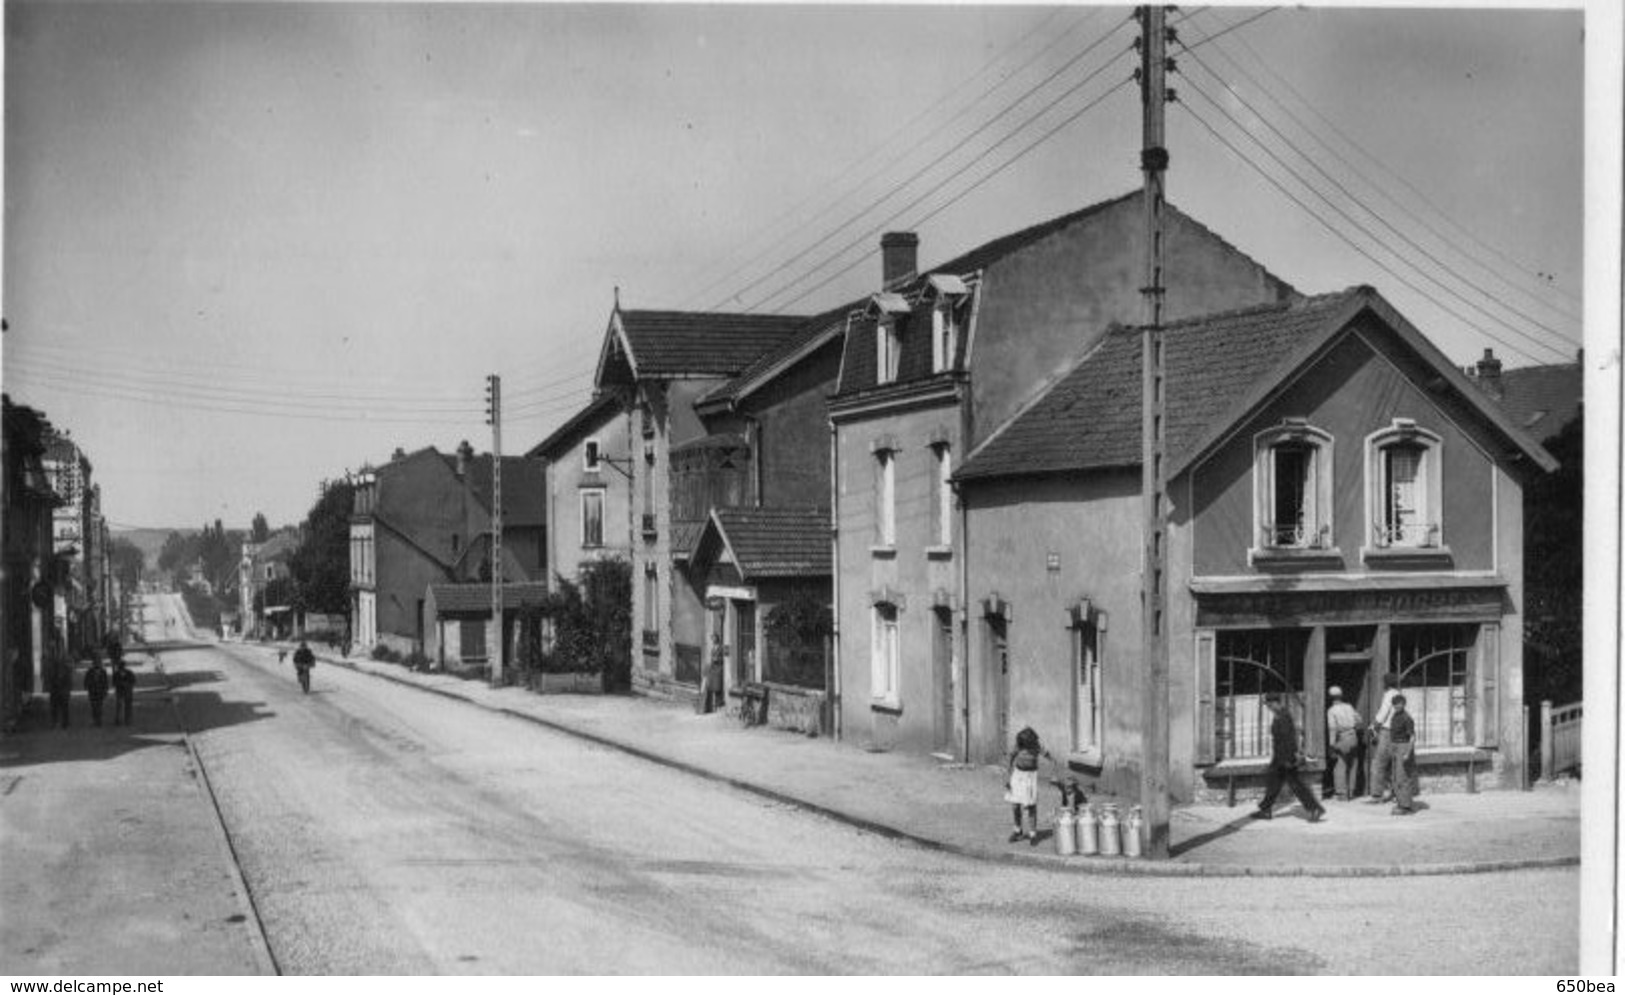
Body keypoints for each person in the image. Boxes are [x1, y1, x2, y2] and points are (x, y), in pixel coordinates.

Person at [1252, 693, 1326, 823]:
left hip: (1285, 757)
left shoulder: (1283, 716)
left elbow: (1289, 740)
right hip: (1280, 756)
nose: (1268, 708)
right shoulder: (1281, 715)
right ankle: (1266, 809)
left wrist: (1288, 759)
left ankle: (1315, 808)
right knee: (1274, 781)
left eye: (1269, 705)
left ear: (1275, 702)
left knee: (1295, 784)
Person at [1004, 726, 1054, 845]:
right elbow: (1010, 757)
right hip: (1018, 774)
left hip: (1030, 776)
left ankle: (1032, 833)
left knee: (1030, 806)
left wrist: (1053, 761)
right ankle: (1017, 830)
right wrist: (1008, 775)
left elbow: (1047, 754)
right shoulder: (1018, 745)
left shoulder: (1036, 746)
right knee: (1015, 805)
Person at [1368, 673, 1402, 804]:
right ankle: (1395, 793)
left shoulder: (1388, 695)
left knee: (1379, 763)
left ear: (1386, 683)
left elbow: (1383, 712)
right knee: (1394, 764)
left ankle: (1377, 795)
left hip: (1387, 731)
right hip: (1397, 731)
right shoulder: (1399, 694)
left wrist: (1373, 725)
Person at [1325, 686, 1363, 801]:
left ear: (1330, 698)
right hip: (1353, 736)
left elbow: (1332, 728)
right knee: (1353, 764)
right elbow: (1359, 720)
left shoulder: (1331, 710)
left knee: (1340, 765)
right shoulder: (1349, 706)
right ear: (1341, 696)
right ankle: (1351, 791)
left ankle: (1342, 793)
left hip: (1343, 737)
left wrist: (1331, 745)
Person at [1388, 695, 1418, 815]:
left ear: (1404, 704)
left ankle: (1407, 807)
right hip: (1395, 746)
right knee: (1396, 778)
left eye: (1399, 703)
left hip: (1404, 746)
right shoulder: (1395, 716)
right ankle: (1401, 803)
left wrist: (1408, 753)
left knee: (1403, 777)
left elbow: (1412, 737)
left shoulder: (1407, 718)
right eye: (1395, 704)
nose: (1397, 706)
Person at [46, 649, 73, 730]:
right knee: (58, 708)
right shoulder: (55, 669)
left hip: (60, 692)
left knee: (61, 708)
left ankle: (62, 722)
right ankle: (60, 722)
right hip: (58, 692)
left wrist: (67, 690)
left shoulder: (63, 669)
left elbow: (68, 681)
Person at [83, 655, 110, 727]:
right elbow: (86, 680)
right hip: (92, 691)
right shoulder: (90, 671)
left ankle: (98, 720)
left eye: (99, 662)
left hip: (100, 692)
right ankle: (95, 719)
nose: (98, 664)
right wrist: (86, 686)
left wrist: (106, 690)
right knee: (94, 706)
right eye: (96, 662)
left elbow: (105, 682)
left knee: (99, 706)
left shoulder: (103, 672)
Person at [111, 656, 136, 726]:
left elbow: (133, 681)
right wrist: (120, 684)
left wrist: (127, 685)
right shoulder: (117, 674)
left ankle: (127, 720)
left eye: (121, 665)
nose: (121, 666)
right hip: (120, 691)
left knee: (127, 706)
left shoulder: (129, 673)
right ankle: (119, 720)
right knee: (119, 706)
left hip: (127, 691)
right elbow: (114, 683)